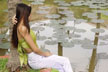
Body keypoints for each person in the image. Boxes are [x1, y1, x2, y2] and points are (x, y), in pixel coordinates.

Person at [11, 3, 73, 72]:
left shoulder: (19, 24)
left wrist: (15, 16)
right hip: (35, 60)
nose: (31, 16)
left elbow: (26, 8)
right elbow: (35, 49)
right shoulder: (23, 28)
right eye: (30, 14)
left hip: (36, 57)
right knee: (65, 61)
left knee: (60, 67)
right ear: (25, 15)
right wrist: (46, 54)